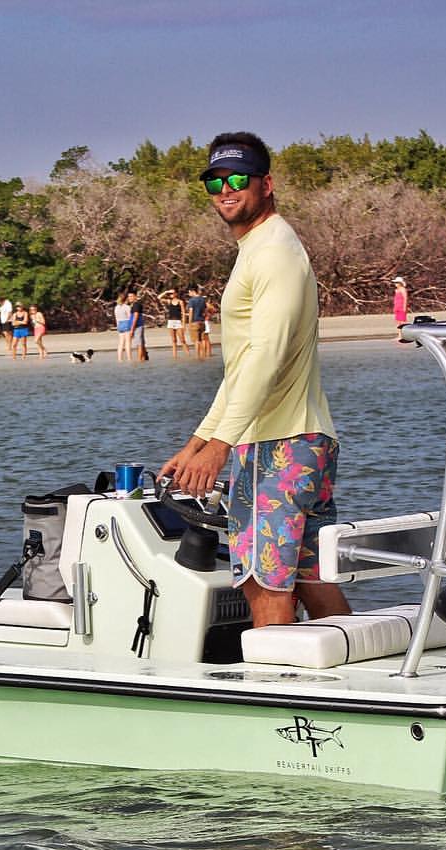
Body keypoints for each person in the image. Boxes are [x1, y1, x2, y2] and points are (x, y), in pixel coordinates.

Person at [158, 131, 350, 629]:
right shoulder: (261, 247)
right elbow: (243, 365)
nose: (227, 188)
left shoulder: (273, 251)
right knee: (310, 577)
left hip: (275, 442)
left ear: (266, 184)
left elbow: (265, 357)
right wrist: (200, 440)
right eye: (215, 181)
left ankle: (280, 693)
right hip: (296, 437)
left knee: (263, 583)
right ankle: (354, 684)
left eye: (239, 178)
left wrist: (221, 444)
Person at [159, 289, 191, 358]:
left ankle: (188, 355)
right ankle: (174, 356)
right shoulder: (169, 301)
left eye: (172, 293)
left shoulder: (180, 302)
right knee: (173, 340)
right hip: (170, 322)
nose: (171, 295)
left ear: (176, 294)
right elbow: (159, 298)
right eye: (170, 294)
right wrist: (166, 291)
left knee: (182, 340)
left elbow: (183, 313)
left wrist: (184, 324)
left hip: (178, 322)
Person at [186, 288, 208, 359]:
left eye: (189, 292)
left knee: (196, 341)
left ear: (193, 291)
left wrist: (189, 323)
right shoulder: (202, 299)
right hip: (202, 322)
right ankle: (204, 356)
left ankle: (197, 357)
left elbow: (191, 312)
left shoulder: (191, 300)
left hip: (194, 322)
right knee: (202, 340)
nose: (189, 294)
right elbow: (205, 311)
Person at [128, 292, 148, 361]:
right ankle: (144, 357)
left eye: (131, 296)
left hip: (137, 326)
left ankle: (140, 360)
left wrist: (132, 329)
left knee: (139, 343)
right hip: (137, 326)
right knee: (141, 342)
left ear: (135, 297)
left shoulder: (136, 305)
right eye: (129, 296)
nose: (129, 298)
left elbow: (135, 317)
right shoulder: (134, 305)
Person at [114, 293, 132, 361]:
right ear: (126, 299)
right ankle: (129, 358)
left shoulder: (116, 307)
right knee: (127, 343)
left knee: (121, 343)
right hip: (126, 323)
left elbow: (116, 318)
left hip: (119, 324)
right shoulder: (127, 307)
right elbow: (129, 317)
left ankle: (119, 359)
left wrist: (118, 327)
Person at [392, 276, 409, 341]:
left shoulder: (403, 289)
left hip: (401, 307)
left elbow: (405, 298)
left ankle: (404, 335)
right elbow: (395, 299)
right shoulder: (396, 290)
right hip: (397, 307)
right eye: (395, 283)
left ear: (400, 283)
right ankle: (399, 335)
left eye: (397, 283)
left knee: (402, 322)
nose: (395, 284)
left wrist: (404, 307)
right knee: (398, 322)